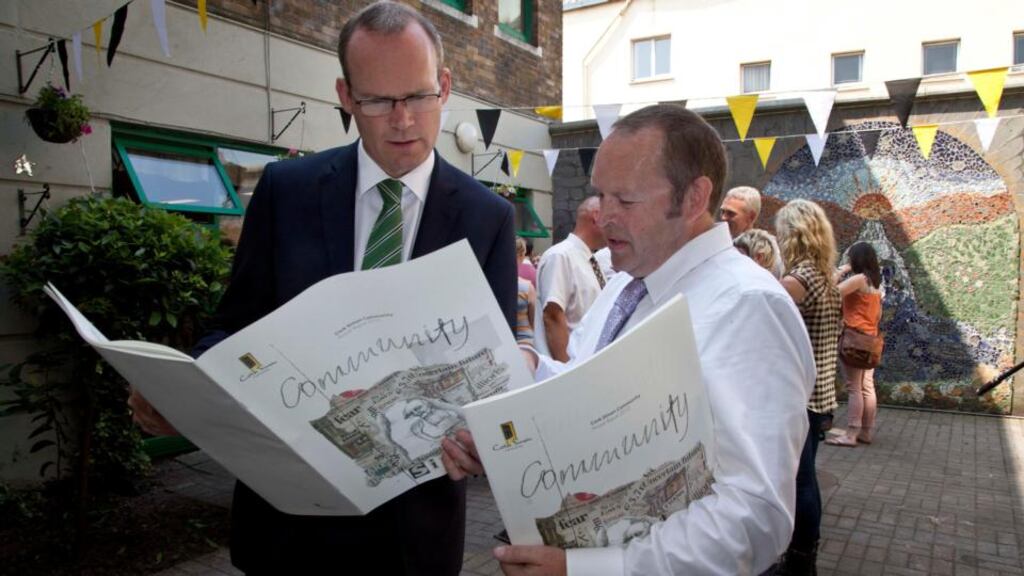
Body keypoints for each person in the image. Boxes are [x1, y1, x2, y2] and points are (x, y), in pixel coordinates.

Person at [128, 2, 516, 574]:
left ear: (446, 87)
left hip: (414, 533)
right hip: (288, 525)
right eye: (378, 101)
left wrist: (485, 443)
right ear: (345, 94)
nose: (402, 120)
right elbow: (233, 328)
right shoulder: (286, 190)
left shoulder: (488, 218)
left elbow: (495, 376)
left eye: (418, 96)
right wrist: (185, 396)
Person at [441, 104, 816, 576]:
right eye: (601, 194)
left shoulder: (749, 308)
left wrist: (592, 568)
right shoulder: (625, 279)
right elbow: (588, 392)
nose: (604, 215)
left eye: (626, 199)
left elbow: (753, 517)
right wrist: (524, 382)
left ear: (694, 197)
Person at [774, 199, 842, 576]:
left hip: (800, 397)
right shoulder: (826, 276)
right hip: (822, 395)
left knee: (801, 481)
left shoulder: (796, 282)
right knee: (806, 476)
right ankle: (804, 552)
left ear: (793, 234)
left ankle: (801, 558)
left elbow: (767, 331)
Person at [533, 195, 607, 361]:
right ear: (596, 216)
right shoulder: (560, 256)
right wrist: (568, 369)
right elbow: (552, 315)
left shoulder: (590, 260)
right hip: (571, 369)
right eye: (610, 217)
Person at [826, 242, 883, 448]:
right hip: (870, 339)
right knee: (867, 387)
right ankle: (866, 432)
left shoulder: (859, 279)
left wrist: (841, 270)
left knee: (854, 388)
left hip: (855, 339)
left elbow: (831, 292)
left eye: (851, 257)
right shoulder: (875, 283)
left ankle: (850, 434)